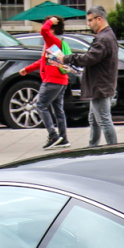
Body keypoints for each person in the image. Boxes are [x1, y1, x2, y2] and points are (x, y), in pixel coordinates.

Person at [64, 5, 119, 147]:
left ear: (99, 19)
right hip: (101, 83)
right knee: (94, 119)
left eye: (90, 20)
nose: (88, 24)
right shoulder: (108, 35)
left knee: (104, 120)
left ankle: (114, 150)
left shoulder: (103, 38)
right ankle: (93, 147)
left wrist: (68, 58)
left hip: (100, 85)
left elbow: (89, 58)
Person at [19, 16, 71, 149]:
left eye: (49, 26)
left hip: (52, 80)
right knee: (58, 110)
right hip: (60, 80)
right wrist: (28, 69)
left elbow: (43, 30)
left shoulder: (53, 41)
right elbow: (42, 61)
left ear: (52, 29)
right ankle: (63, 138)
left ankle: (53, 135)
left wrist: (50, 21)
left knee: (40, 105)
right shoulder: (52, 44)